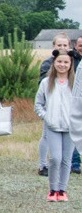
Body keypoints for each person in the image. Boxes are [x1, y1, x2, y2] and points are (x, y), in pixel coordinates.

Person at [35, 49, 75, 201]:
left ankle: (62, 190)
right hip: (53, 127)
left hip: (70, 127)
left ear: (71, 64)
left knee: (66, 159)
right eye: (59, 61)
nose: (62, 65)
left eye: (66, 62)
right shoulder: (46, 83)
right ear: (54, 63)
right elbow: (38, 104)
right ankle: (52, 189)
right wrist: (47, 117)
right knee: (55, 158)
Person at [37, 33, 71, 177]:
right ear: (54, 46)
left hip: (67, 115)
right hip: (51, 109)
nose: (62, 47)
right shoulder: (47, 64)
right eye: (59, 45)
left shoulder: (72, 64)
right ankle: (43, 164)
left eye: (65, 45)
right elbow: (44, 86)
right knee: (46, 137)